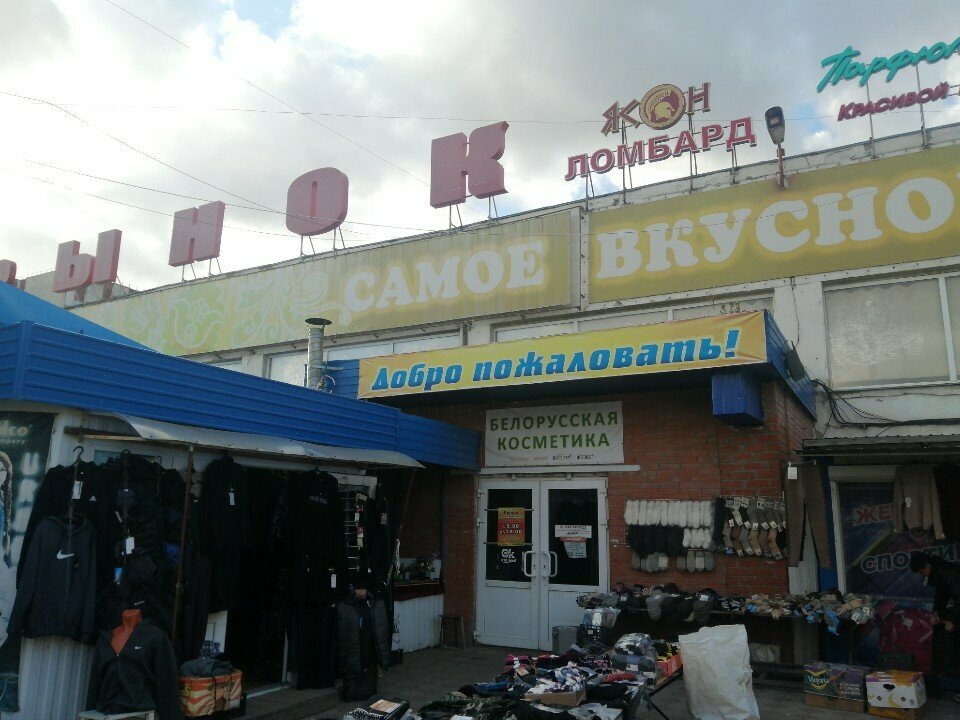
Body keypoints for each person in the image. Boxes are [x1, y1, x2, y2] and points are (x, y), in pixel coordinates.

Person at [336, 576, 390, 701]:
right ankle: (354, 690)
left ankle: (366, 689)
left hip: (368, 644)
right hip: (354, 646)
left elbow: (382, 631)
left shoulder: (376, 604)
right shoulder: (345, 606)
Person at [910, 552, 960, 631]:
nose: (922, 575)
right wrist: (936, 612)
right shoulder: (938, 573)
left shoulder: (948, 573)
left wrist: (953, 621)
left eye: (921, 572)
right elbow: (941, 594)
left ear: (927, 566)